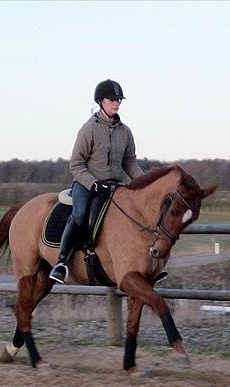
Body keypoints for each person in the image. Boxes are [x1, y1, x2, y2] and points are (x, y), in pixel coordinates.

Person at [49, 79, 145, 283]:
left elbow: (130, 163)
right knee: (80, 214)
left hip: (115, 184)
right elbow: (76, 164)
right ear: (101, 101)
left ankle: (144, 264)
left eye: (119, 100)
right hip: (87, 184)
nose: (116, 103)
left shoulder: (125, 131)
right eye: (112, 100)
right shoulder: (89, 129)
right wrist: (93, 183)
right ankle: (62, 262)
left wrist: (145, 183)